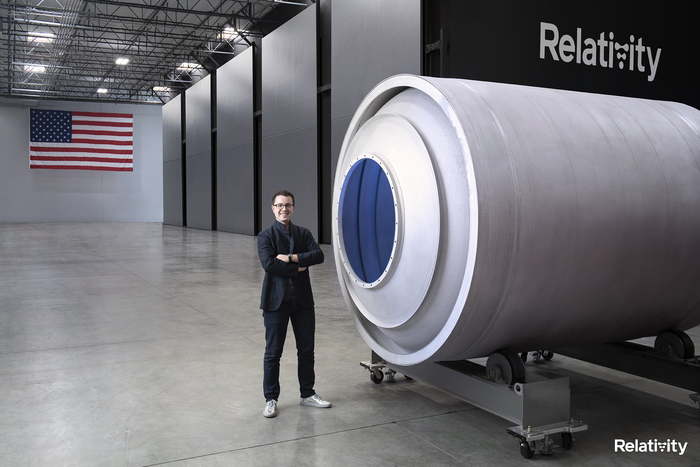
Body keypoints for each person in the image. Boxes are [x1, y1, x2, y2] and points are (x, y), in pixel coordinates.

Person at [257, 190, 331, 418]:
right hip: (275, 302)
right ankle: (270, 399)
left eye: (288, 205)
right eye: (279, 205)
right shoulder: (265, 236)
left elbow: (318, 255)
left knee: (306, 350)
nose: (284, 209)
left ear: (293, 208)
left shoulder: (303, 233)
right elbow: (269, 264)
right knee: (273, 353)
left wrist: (291, 258)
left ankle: (307, 394)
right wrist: (299, 267)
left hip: (303, 302)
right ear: (273, 208)